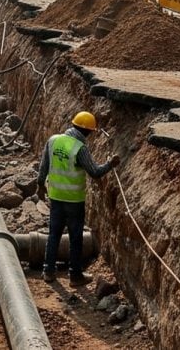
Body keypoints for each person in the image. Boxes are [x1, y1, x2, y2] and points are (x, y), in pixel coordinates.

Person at [36, 111, 120, 286]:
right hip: (74, 201)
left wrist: (40, 186)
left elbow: (44, 165)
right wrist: (110, 164)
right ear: (86, 131)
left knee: (54, 235)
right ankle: (75, 276)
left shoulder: (53, 141)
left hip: (56, 197)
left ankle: (48, 272)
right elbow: (95, 172)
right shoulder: (79, 148)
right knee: (75, 238)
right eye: (90, 132)